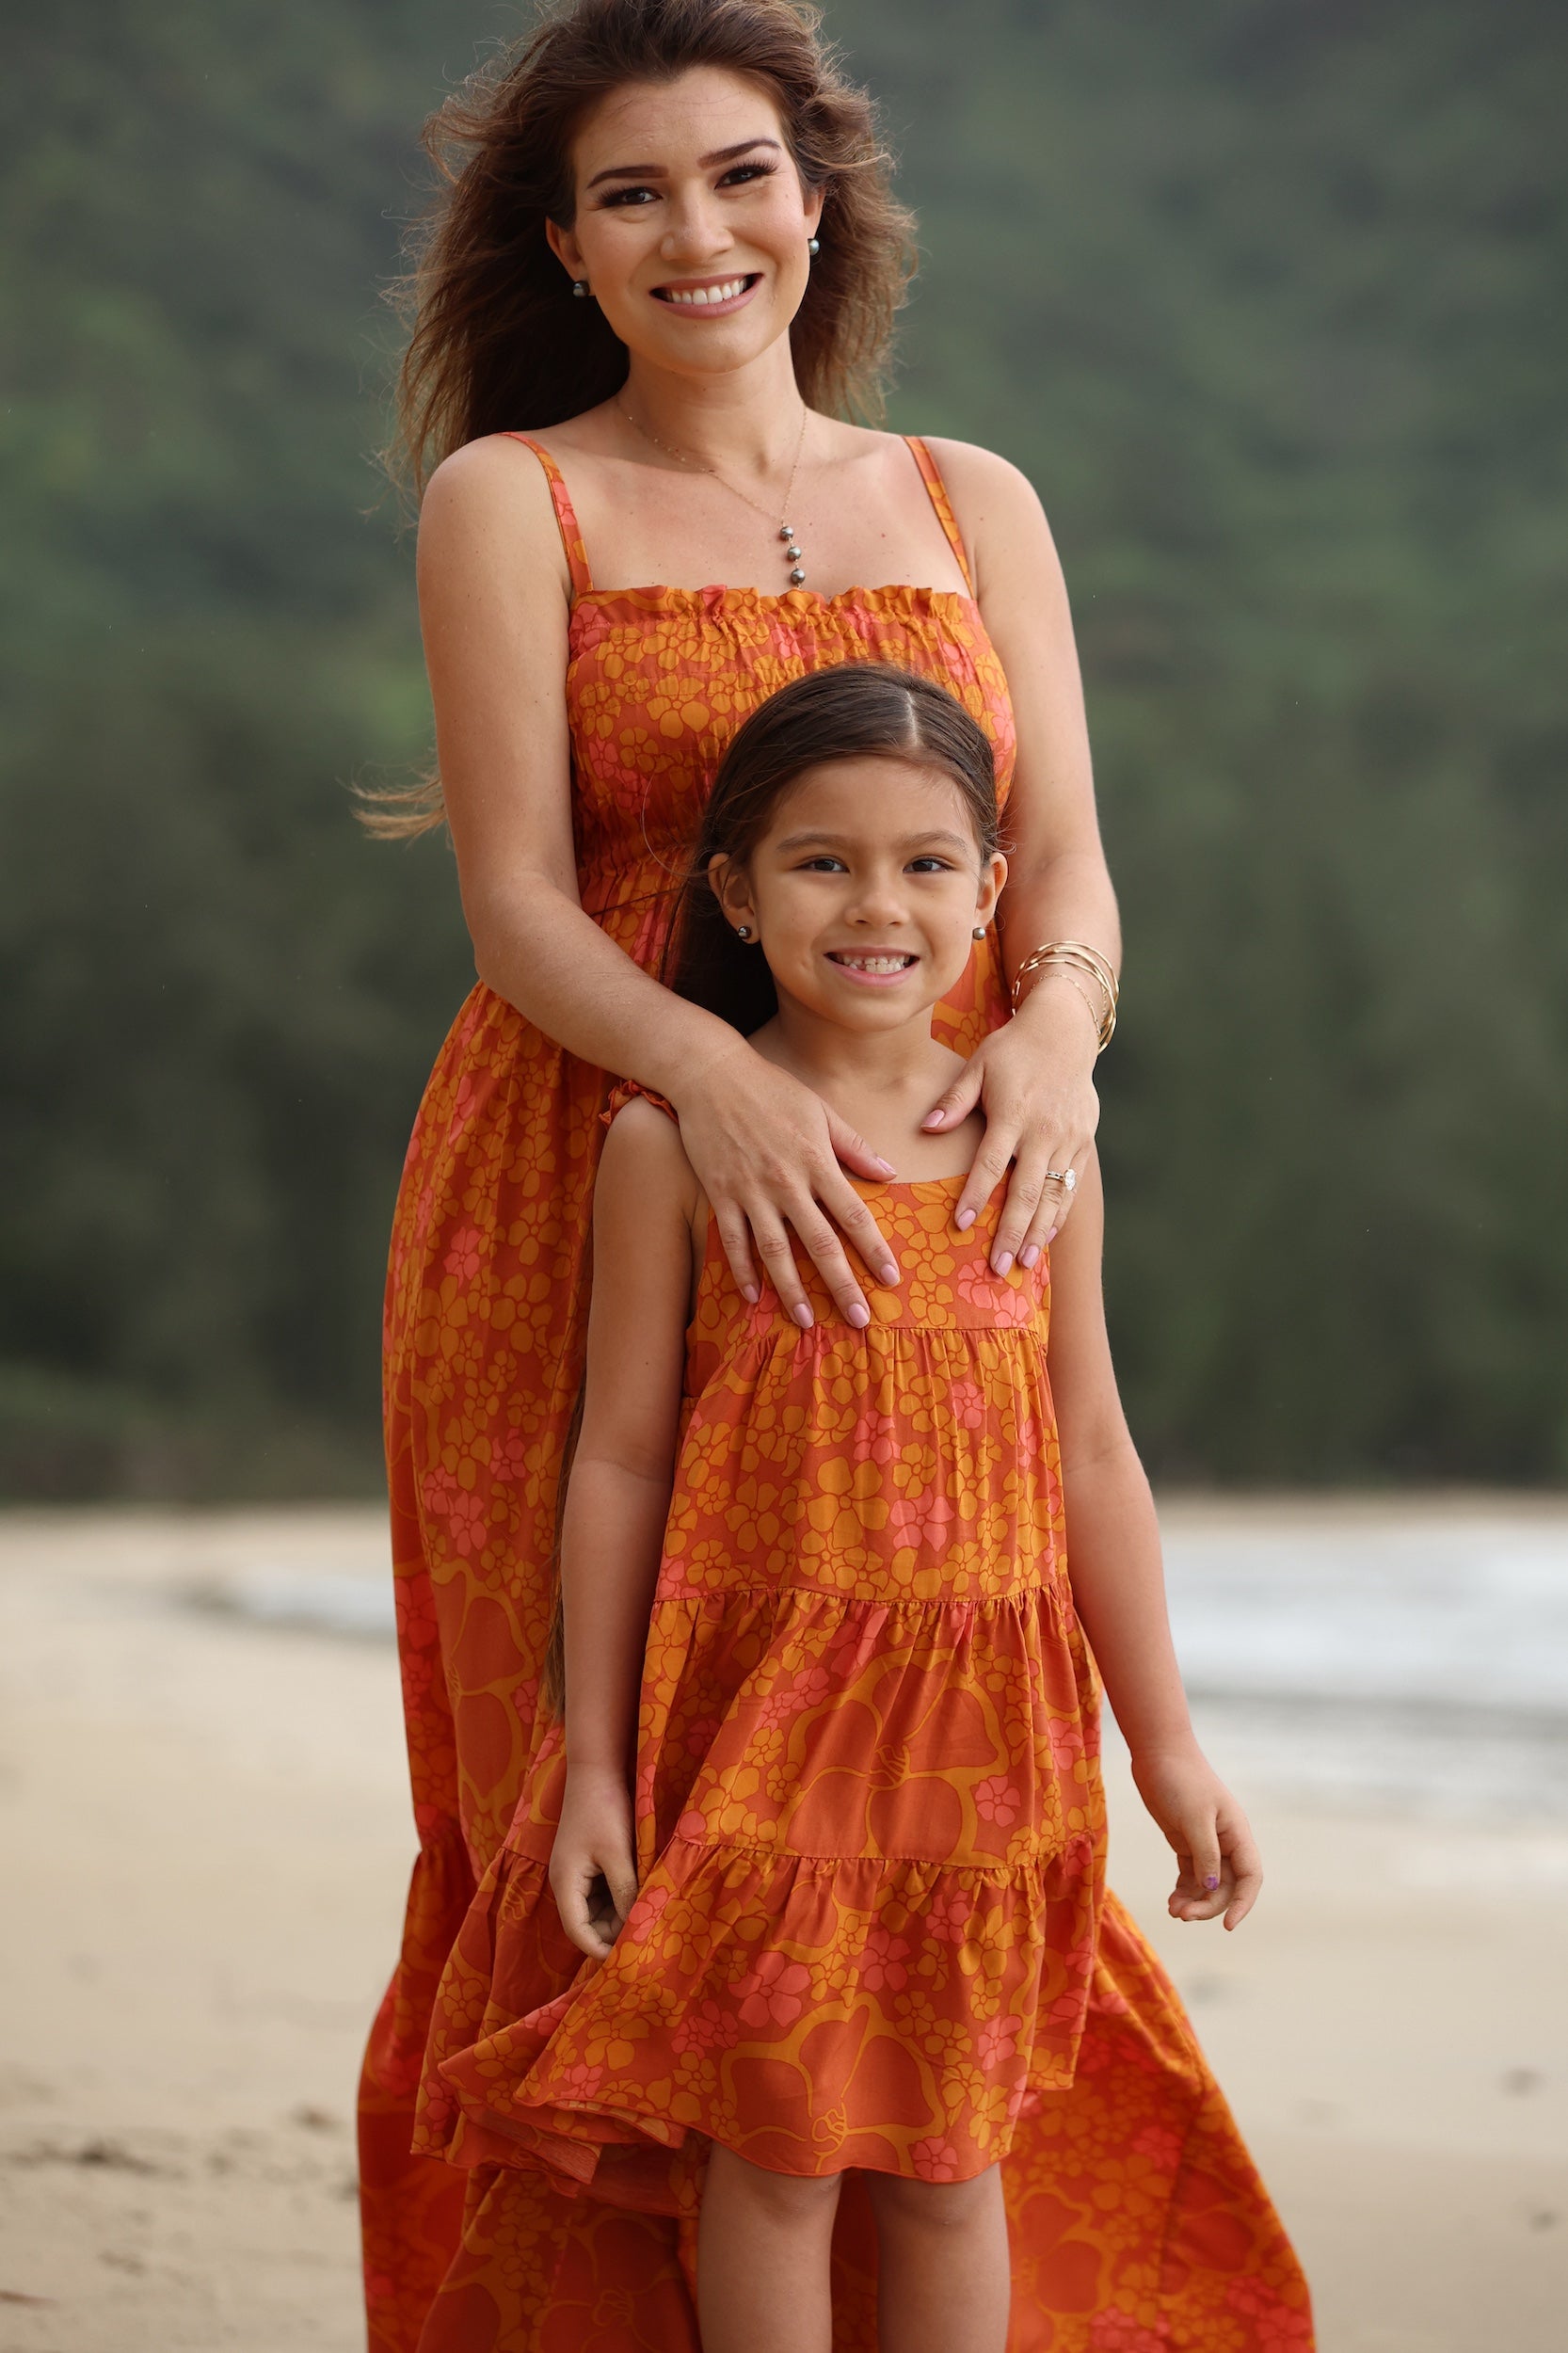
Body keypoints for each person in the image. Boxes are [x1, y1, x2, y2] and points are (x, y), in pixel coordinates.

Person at [361, 2, 1137, 2342]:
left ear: (819, 197)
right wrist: (711, 1083)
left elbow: (1073, 870)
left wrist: (1059, 1045)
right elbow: (511, 903)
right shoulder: (518, 497)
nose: (693, 231)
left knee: (895, 1831)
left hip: (932, 1180)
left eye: (734, 176)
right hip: (598, 1164)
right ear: (566, 247)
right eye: (628, 193)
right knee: (608, 1826)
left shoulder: (973, 495)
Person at [412, 664, 1311, 2352]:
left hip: (991, 1752)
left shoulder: (1038, 1138)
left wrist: (1166, 1746)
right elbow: (619, 1459)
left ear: (991, 892)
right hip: (763, 1741)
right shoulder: (669, 1142)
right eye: (820, 863)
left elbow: (1092, 1447)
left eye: (924, 863)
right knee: (775, 2159)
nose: (876, 904)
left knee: (949, 2164)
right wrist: (597, 1763)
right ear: (736, 896)